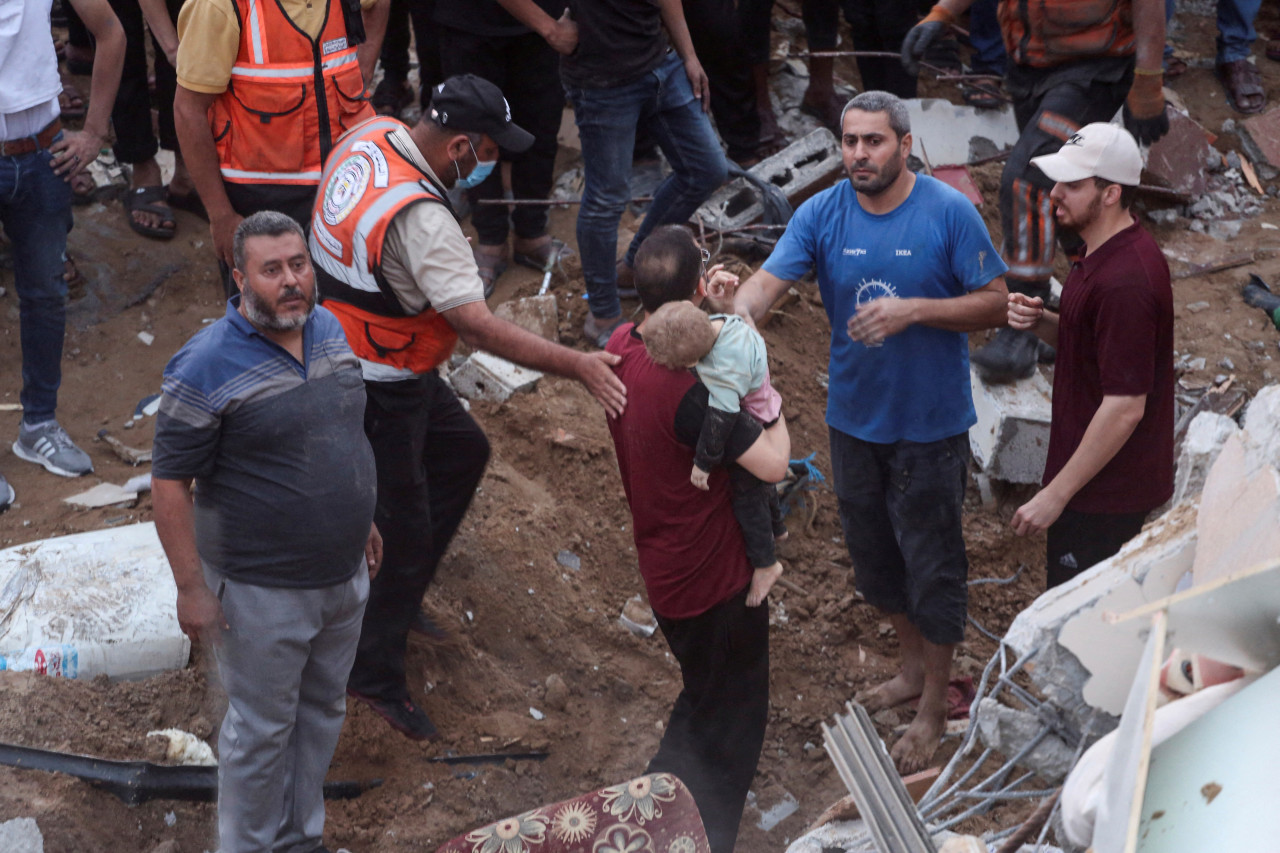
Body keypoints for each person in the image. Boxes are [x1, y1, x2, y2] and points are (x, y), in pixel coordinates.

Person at [309, 74, 627, 740]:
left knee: (463, 451)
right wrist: (577, 364)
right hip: (380, 377)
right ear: (458, 146)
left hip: (363, 347)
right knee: (404, 525)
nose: (490, 165)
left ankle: (401, 599)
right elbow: (479, 328)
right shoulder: (425, 222)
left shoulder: (374, 135)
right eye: (486, 152)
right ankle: (372, 672)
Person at [734, 91, 1008, 772]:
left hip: (930, 427)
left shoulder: (947, 212)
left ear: (904, 144)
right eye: (850, 141)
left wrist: (915, 309)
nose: (859, 154)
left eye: (874, 142)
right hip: (854, 421)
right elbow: (764, 289)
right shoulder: (822, 212)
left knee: (934, 562)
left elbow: (997, 303)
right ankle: (912, 668)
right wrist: (731, 314)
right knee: (876, 557)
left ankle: (934, 706)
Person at [152, 211, 382, 853]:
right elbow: (170, 486)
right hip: (259, 592)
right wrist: (191, 588)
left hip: (342, 578)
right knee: (259, 732)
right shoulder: (203, 366)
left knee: (320, 716)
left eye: (299, 265)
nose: (290, 281)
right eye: (272, 269)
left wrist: (361, 517)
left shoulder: (331, 330)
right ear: (240, 276)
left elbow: (344, 430)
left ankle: (299, 839)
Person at [605, 223, 791, 853]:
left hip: (664, 566)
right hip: (716, 579)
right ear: (691, 285)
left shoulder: (620, 346)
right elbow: (770, 464)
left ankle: (655, 812)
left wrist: (711, 310)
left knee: (705, 698)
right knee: (732, 723)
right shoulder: (692, 394)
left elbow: (684, 339)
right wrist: (774, 408)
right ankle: (697, 836)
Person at [903, 0, 1168, 383]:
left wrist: (1147, 81)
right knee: (1063, 194)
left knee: (1030, 179)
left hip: (1094, 67)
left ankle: (1021, 325)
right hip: (1030, 67)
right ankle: (1087, 313)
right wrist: (942, 13)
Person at [496, 0, 729, 347]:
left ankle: (632, 267)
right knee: (606, 199)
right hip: (601, 80)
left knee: (707, 169)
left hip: (660, 63)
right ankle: (603, 315)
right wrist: (550, 29)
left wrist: (689, 55)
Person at [1005, 123, 1173, 588]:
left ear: (1111, 193)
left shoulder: (1126, 282)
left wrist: (1055, 496)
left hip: (1105, 498)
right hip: (1091, 483)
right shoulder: (1098, 253)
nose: (1055, 194)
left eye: (1073, 185)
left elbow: (1125, 407)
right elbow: (1096, 350)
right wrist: (1043, 322)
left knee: (1085, 631)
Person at [172, 0, 388, 295]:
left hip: (344, 191)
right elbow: (189, 111)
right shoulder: (219, 6)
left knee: (339, 318)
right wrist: (220, 215)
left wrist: (364, 66)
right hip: (261, 202)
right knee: (269, 324)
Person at [0, 0, 124, 504]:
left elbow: (111, 30)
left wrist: (94, 132)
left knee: (46, 294)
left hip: (41, 151)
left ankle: (39, 425)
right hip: (36, 153)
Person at [642, 297, 787, 605]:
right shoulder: (719, 322)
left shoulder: (723, 375)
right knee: (763, 487)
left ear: (690, 365)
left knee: (748, 490)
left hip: (758, 413)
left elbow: (719, 422)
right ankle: (778, 528)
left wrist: (703, 463)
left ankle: (766, 563)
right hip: (759, 388)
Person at [434, 0, 565, 294]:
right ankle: (490, 239)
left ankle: (531, 232)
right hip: (469, 23)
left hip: (543, 24)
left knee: (540, 125)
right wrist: (549, 27)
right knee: (471, 132)